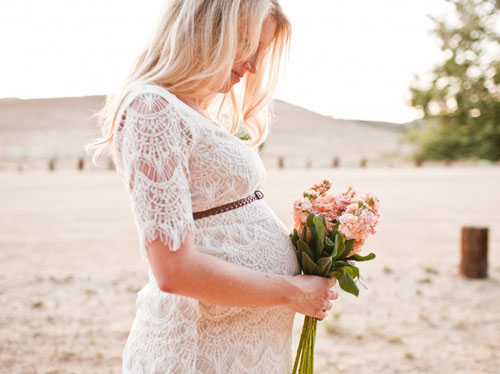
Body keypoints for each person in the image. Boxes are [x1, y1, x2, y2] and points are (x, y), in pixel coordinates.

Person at [85, 1, 338, 373]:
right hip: (197, 349)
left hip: (242, 343)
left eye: (260, 52)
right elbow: (174, 270)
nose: (253, 65)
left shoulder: (192, 110)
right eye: (247, 45)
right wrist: (293, 291)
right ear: (207, 31)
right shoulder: (152, 108)